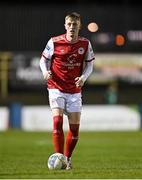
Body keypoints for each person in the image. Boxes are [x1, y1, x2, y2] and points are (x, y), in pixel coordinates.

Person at [39, 12, 95, 170]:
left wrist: (83, 77)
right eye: (69, 24)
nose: (72, 27)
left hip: (75, 90)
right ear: (65, 25)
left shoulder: (85, 44)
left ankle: (67, 158)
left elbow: (90, 64)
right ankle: (59, 157)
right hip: (56, 87)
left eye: (75, 24)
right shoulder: (55, 42)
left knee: (74, 130)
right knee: (57, 122)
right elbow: (43, 60)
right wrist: (45, 72)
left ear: (79, 26)